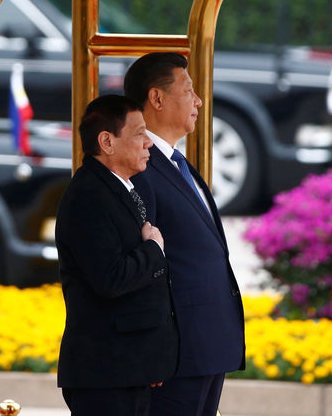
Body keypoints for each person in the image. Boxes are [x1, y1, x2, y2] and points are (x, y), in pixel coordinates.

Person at [124, 52, 245, 416]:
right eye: (188, 90)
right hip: (177, 354)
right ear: (156, 99)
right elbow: (144, 264)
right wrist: (152, 348)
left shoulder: (178, 163)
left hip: (206, 345)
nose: (198, 101)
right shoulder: (140, 167)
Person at [55, 94, 178, 416]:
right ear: (107, 141)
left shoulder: (117, 187)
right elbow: (110, 278)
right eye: (139, 133)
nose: (148, 143)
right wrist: (154, 250)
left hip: (129, 367)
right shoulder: (88, 196)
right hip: (105, 372)